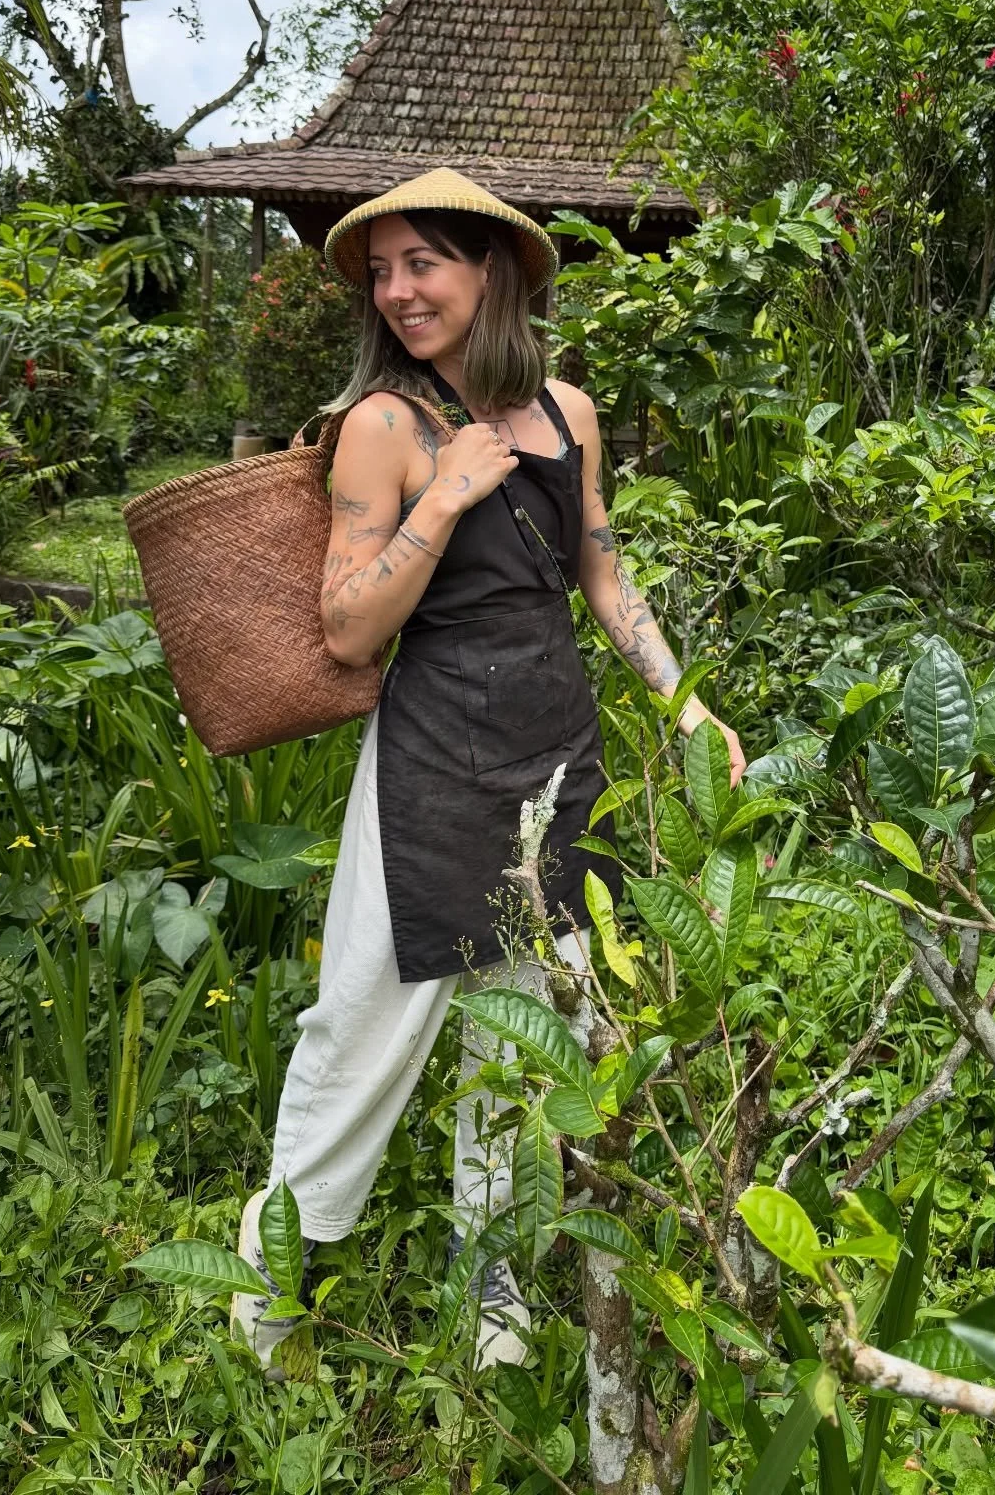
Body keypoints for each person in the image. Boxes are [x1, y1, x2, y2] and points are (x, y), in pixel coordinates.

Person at [231, 167, 744, 1376]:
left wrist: (685, 705)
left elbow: (604, 584)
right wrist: (445, 494)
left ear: (493, 271)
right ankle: (266, 1296)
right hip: (430, 761)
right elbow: (351, 629)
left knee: (524, 1041)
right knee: (362, 1027)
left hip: (556, 747)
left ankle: (496, 1299)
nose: (399, 290)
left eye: (425, 264)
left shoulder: (568, 411)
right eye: (383, 271)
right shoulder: (383, 427)